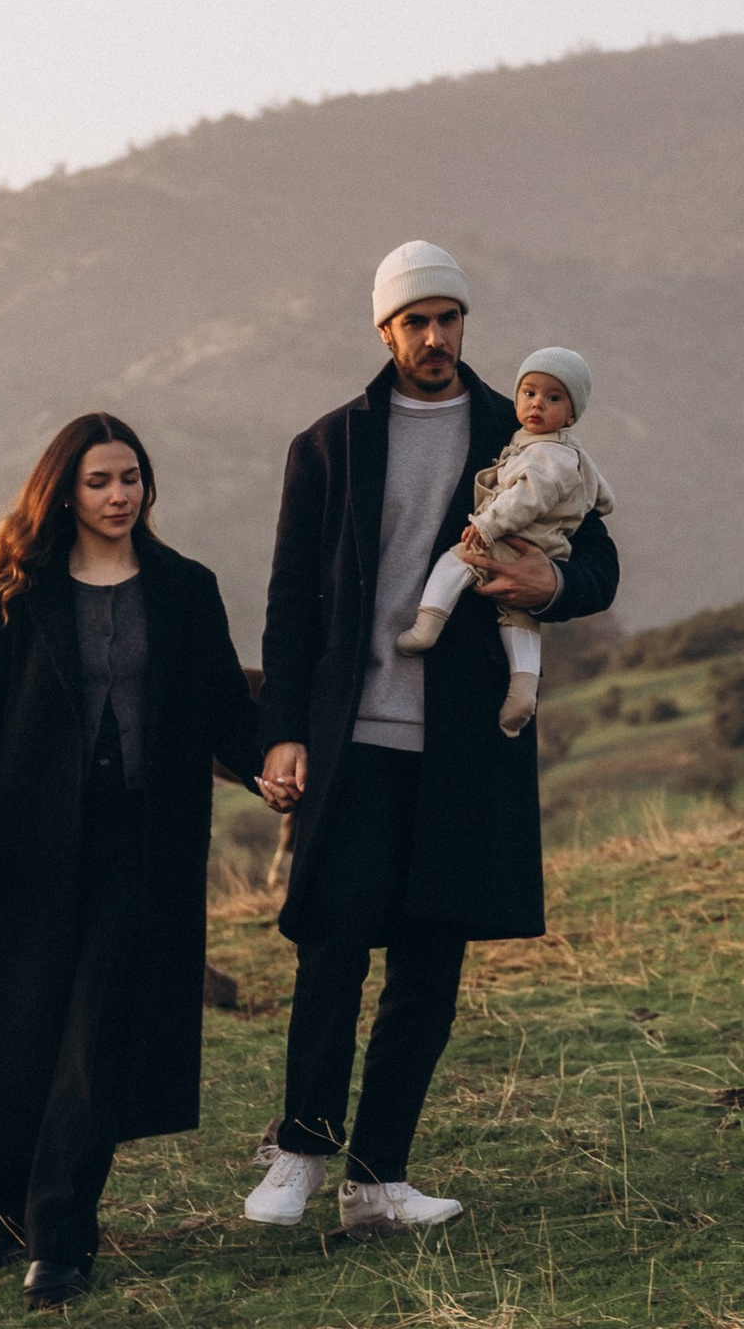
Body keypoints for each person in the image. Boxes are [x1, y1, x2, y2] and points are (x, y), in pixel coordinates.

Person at [244, 243, 620, 1236]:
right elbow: (287, 606)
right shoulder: (325, 447)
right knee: (329, 949)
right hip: (351, 738)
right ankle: (299, 1152)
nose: (436, 337)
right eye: (417, 321)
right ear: (385, 330)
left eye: (450, 318)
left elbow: (599, 561)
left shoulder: (522, 426)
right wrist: (280, 733)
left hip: (461, 747)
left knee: (429, 964)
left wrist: (555, 587)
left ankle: (380, 1180)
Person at [0, 413, 262, 1306]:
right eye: (100, 482)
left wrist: (275, 759)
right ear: (65, 492)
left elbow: (228, 708)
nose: (120, 496)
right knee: (27, 1026)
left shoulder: (186, 589)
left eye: (132, 479)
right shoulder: (21, 592)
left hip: (143, 844)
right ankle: (1, 1211)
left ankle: (62, 1238)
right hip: (28, 844)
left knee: (98, 1034)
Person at [395, 347, 610, 734]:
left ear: (572, 414)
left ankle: (427, 626)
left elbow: (527, 496)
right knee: (519, 620)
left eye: (553, 397)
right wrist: (602, 500)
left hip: (505, 539)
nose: (537, 404)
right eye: (529, 393)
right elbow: (599, 492)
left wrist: (488, 526)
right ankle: (523, 690)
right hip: (545, 545)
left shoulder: (543, 453)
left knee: (455, 562)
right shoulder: (563, 451)